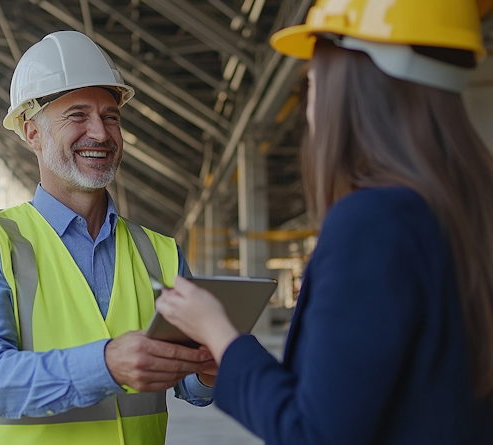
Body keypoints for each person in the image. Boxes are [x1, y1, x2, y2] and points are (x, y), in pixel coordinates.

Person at [155, 0, 493, 443]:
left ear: (354, 88)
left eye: (312, 84)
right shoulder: (472, 208)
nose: (309, 107)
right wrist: (231, 353)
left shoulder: (372, 223)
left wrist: (216, 329)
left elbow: (314, 434)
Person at [0, 31, 215, 445]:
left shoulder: (162, 253)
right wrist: (107, 365)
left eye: (111, 117)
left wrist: (210, 367)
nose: (100, 133)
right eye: (77, 116)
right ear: (32, 134)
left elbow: (191, 385)